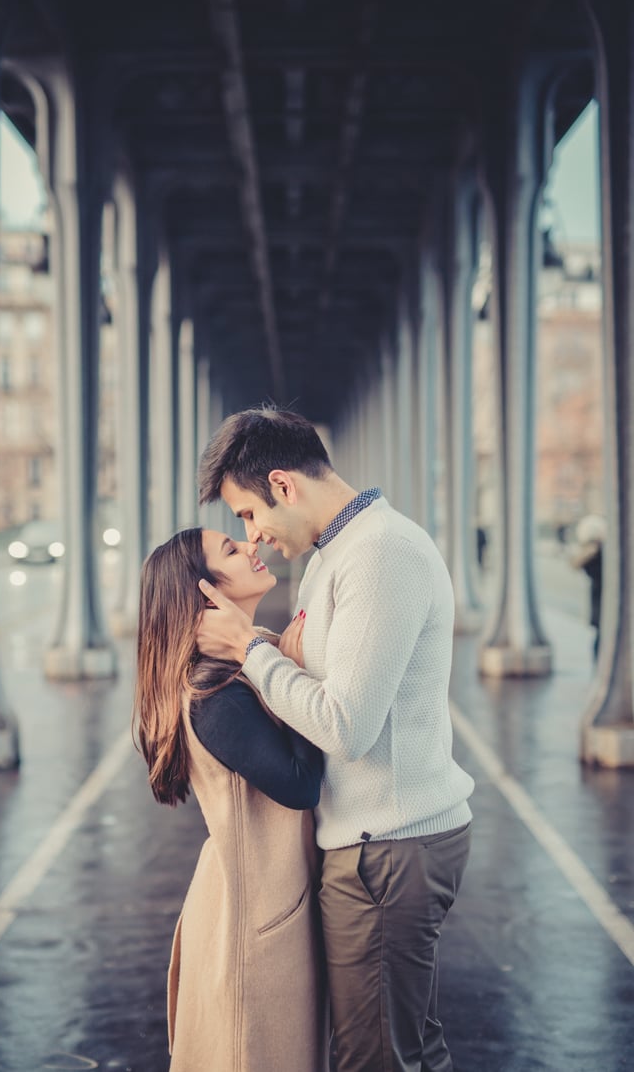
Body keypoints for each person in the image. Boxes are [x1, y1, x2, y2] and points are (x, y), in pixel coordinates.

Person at [196, 406, 474, 1072]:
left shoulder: (377, 555)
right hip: (383, 842)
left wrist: (248, 649)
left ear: (284, 485)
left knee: (376, 1058)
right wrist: (264, 647)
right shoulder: (338, 555)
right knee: (404, 1048)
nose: (253, 535)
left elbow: (346, 727)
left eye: (248, 514)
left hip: (388, 847)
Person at [132, 526, 328, 1072]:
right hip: (253, 924)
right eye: (230, 549)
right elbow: (299, 782)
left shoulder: (233, 669)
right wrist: (281, 661)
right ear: (206, 593)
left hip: (260, 901)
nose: (250, 546)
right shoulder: (214, 693)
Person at [569, 514, 605, 662]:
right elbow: (575, 564)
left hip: (603, 600)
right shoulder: (592, 554)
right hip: (601, 600)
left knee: (601, 637)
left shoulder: (601, 552)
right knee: (601, 637)